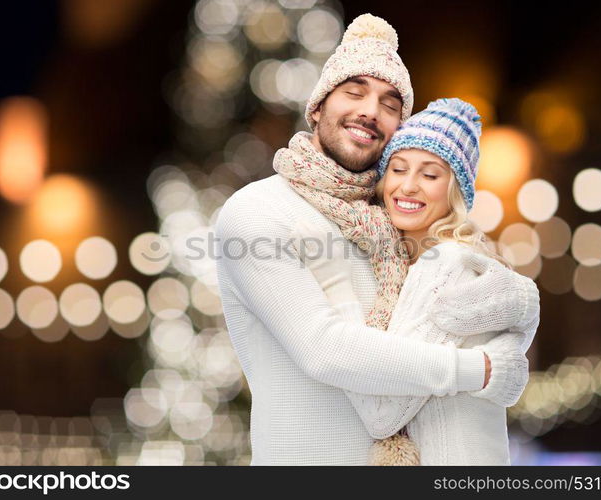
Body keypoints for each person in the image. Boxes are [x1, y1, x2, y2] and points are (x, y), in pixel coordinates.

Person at [214, 13, 539, 465]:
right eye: (354, 92)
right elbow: (325, 349)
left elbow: (454, 306)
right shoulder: (258, 212)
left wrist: (518, 310)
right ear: (319, 105)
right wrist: (484, 370)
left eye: (390, 103)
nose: (370, 110)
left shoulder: (394, 220)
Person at [282, 98, 539, 465]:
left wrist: (334, 280)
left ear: (455, 191)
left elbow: (382, 412)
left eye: (430, 175)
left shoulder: (445, 263)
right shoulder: (428, 261)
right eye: (399, 169)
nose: (408, 187)